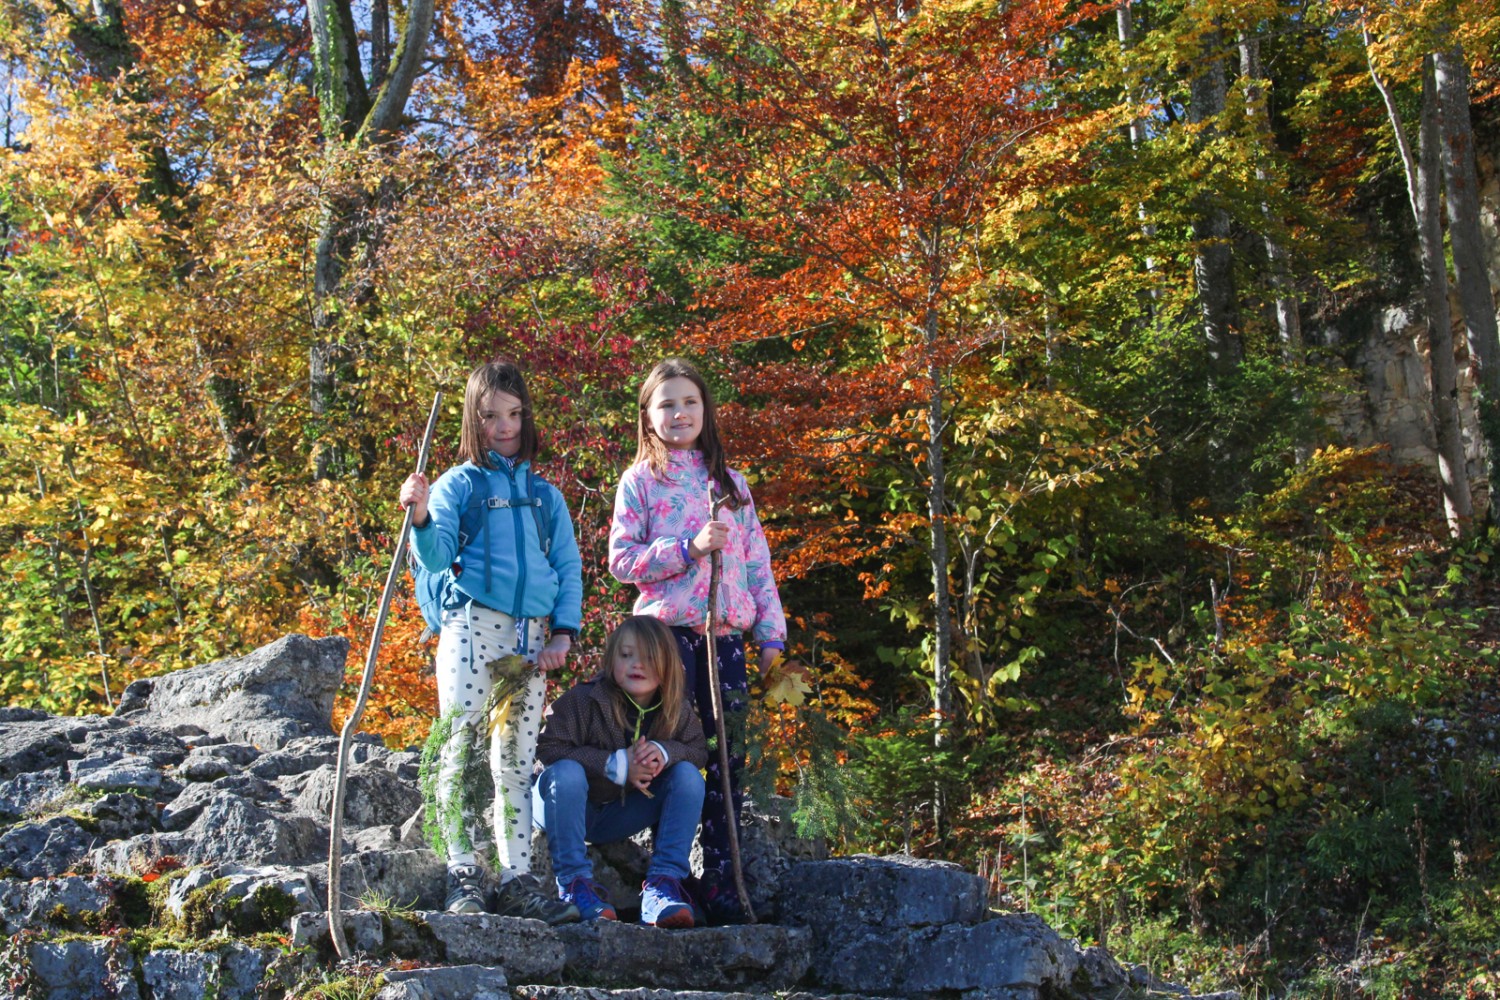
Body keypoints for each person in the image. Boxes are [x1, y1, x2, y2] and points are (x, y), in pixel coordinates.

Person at [400, 361, 581, 923]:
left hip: (530, 642)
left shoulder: (547, 497)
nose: (504, 426)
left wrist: (564, 632)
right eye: (490, 416)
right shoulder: (459, 484)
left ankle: (517, 879)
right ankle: (463, 872)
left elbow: (567, 568)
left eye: (514, 414)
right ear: (472, 420)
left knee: (514, 761)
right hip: (471, 631)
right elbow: (433, 555)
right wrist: (423, 512)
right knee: (459, 749)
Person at [607, 357, 787, 924]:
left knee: (727, 759)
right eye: (666, 404)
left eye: (689, 402)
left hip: (726, 639)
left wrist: (770, 635)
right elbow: (620, 561)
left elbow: (757, 561)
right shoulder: (640, 481)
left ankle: (723, 880)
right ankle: (666, 879)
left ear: (705, 411)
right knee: (673, 754)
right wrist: (687, 548)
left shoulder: (731, 484)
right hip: (667, 639)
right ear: (648, 416)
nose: (679, 413)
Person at [533, 614, 708, 927]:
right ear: (611, 659)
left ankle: (661, 887)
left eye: (648, 658)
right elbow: (547, 749)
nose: (636, 665)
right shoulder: (584, 700)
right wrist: (616, 765)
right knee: (567, 773)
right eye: (626, 655)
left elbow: (697, 750)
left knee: (688, 777)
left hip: (618, 814)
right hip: (559, 807)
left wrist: (667, 752)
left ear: (667, 663)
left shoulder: (675, 708)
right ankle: (575, 886)